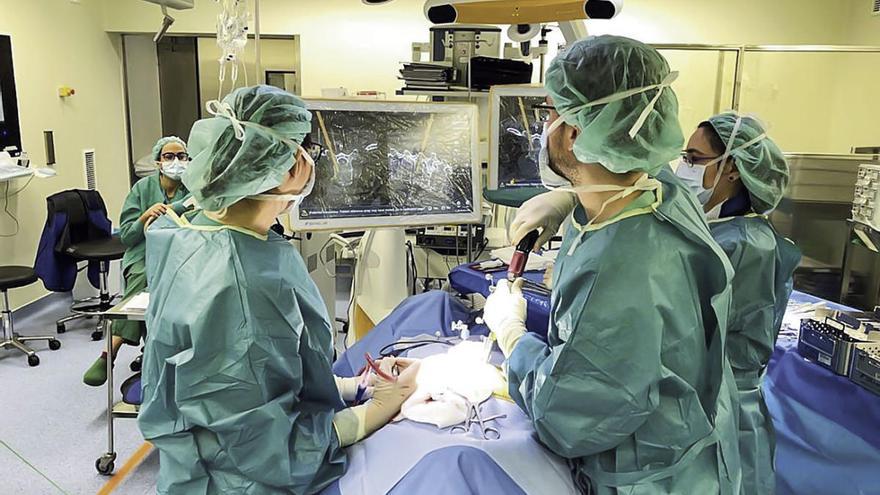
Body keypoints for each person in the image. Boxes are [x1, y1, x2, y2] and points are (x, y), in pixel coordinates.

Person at [483, 36, 742, 494]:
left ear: (578, 133)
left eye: (550, 113)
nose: (544, 127)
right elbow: (647, 174)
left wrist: (511, 335)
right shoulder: (663, 198)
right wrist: (567, 198)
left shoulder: (619, 266)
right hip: (689, 455)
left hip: (643, 479)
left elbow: (567, 415)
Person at [138, 85, 419, 494]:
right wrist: (372, 413)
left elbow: (239, 380)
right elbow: (268, 449)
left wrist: (351, 387)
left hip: (198, 455)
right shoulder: (241, 286)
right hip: (241, 479)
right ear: (288, 170)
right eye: (307, 152)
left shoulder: (183, 228)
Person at [675, 112, 801, 494]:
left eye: (695, 159)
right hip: (711, 405)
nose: (683, 168)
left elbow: (691, 332)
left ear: (731, 168)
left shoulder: (746, 245)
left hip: (724, 414)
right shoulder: (723, 233)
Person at [82, 136, 191, 386]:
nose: (176, 161)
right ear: (157, 162)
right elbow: (128, 238)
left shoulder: (193, 189)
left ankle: (124, 350)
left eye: (181, 156)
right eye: (169, 156)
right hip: (143, 253)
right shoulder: (142, 190)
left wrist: (180, 210)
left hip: (181, 254)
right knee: (145, 280)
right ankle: (115, 350)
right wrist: (144, 217)